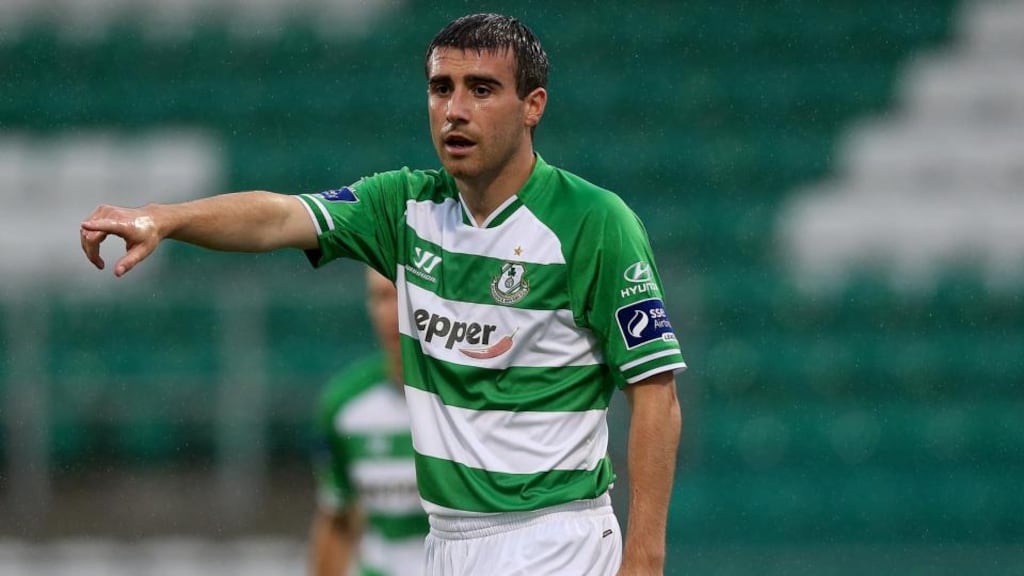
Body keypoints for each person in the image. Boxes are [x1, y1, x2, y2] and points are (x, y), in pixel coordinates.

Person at [80, 13, 685, 576]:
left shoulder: (594, 222)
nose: (454, 110)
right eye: (441, 88)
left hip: (554, 540)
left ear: (533, 106)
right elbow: (278, 217)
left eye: (481, 89)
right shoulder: (404, 206)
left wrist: (643, 560)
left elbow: (655, 391)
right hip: (447, 544)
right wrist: (164, 218)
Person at [309, 267, 428, 576]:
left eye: (403, 294)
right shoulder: (344, 404)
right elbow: (338, 518)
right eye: (381, 296)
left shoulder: (474, 400)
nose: (393, 311)